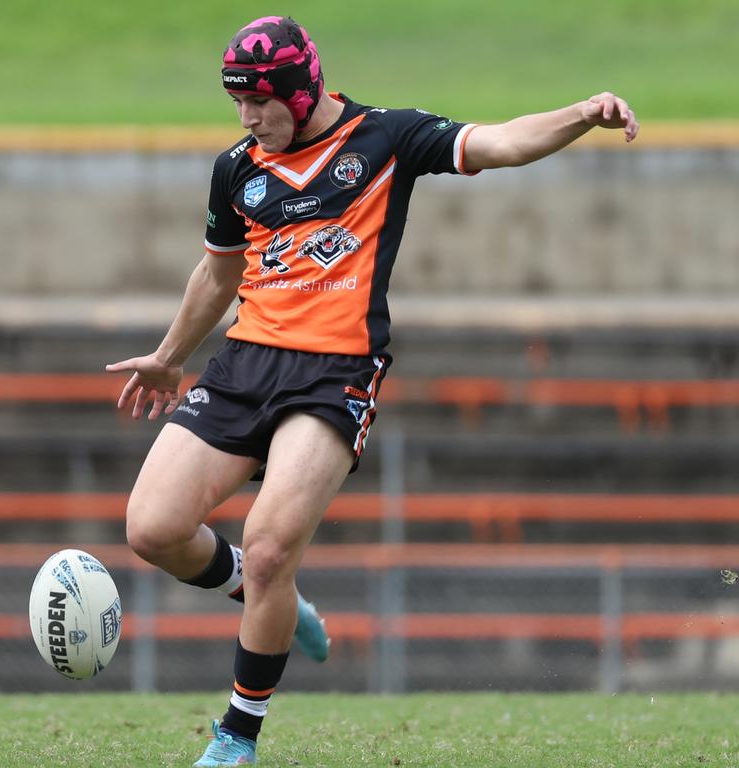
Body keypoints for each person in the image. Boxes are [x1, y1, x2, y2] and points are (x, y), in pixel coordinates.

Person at [106, 14, 638, 767]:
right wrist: (169, 356)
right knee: (151, 529)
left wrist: (583, 113)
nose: (249, 118)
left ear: (302, 88)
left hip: (334, 373)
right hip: (244, 363)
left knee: (267, 550)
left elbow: (502, 141)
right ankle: (272, 602)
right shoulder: (238, 168)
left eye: (261, 101)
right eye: (238, 104)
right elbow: (218, 273)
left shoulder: (386, 138)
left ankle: (234, 740)